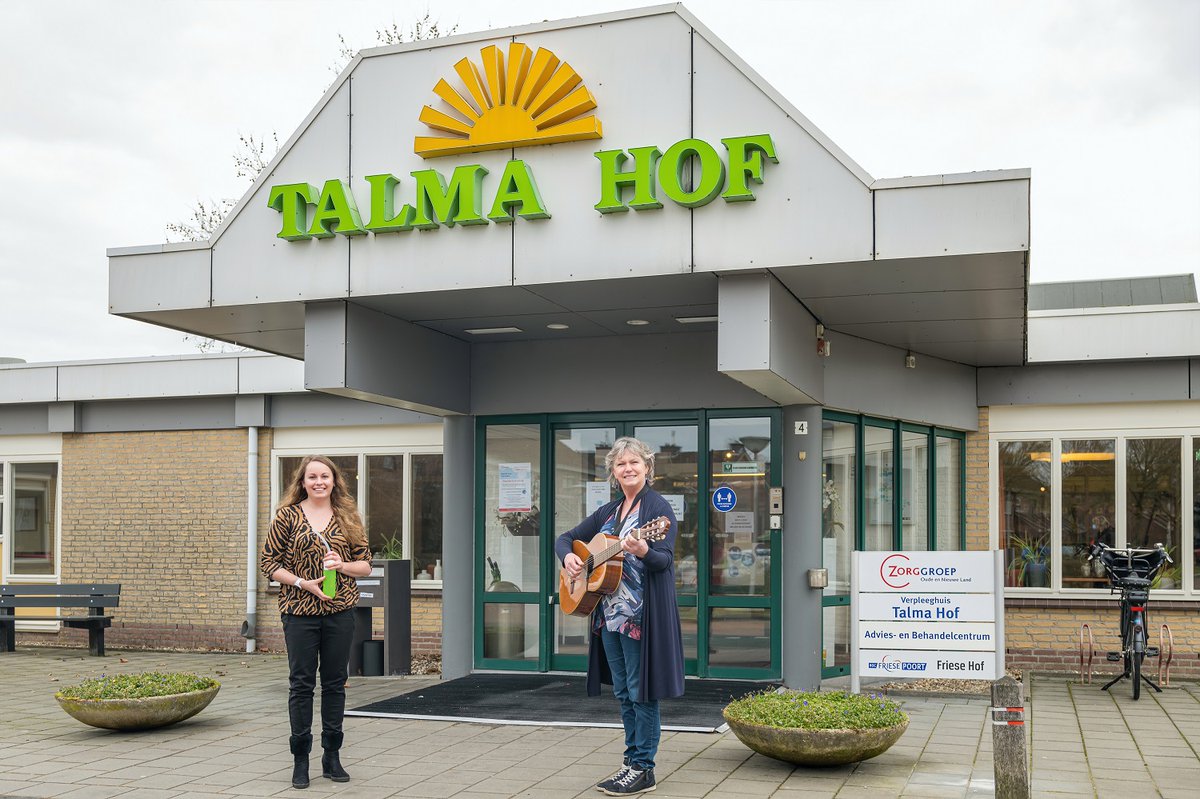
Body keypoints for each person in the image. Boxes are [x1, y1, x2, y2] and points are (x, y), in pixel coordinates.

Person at [556, 437, 684, 796]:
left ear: (647, 467)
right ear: (613, 472)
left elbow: (665, 561)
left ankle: (644, 768)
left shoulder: (657, 511)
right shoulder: (610, 512)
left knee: (642, 692)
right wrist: (568, 558)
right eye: (621, 464)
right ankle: (631, 762)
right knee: (625, 692)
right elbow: (565, 538)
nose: (628, 469)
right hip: (608, 617)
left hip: (640, 616)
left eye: (634, 463)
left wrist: (644, 549)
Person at [260, 455, 373, 789]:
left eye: (325, 476)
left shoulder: (347, 517)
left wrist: (342, 566)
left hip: (340, 611)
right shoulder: (287, 517)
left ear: (335, 480)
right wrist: (301, 582)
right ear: (302, 481)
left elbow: (365, 565)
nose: (319, 482)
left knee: (336, 683)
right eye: (312, 477)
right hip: (298, 612)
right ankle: (300, 761)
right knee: (301, 684)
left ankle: (332, 755)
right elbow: (269, 563)